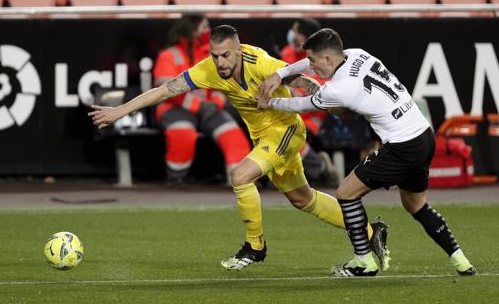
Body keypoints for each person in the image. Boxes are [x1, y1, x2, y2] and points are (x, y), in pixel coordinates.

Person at [88, 25, 389, 271]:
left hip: (285, 130)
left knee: (241, 176)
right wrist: (119, 111)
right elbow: (165, 90)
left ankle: (255, 246)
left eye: (226, 56)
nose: (220, 62)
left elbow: (303, 81)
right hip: (264, 138)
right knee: (302, 199)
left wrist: (331, 101)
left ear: (239, 50)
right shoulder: (209, 69)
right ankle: (371, 232)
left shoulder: (261, 64)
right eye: (215, 55)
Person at [258, 28, 476, 277]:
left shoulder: (339, 89)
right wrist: (281, 72)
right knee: (416, 205)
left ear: (328, 59)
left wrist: (270, 103)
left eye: (313, 61)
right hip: (423, 135)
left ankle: (364, 261)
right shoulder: (357, 54)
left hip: (402, 145)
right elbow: (311, 73)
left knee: (346, 193)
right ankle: (461, 260)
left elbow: (300, 105)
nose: (310, 66)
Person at [153, 16, 250, 184]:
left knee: (233, 136)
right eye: (204, 27)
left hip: (209, 109)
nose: (209, 31)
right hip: (174, 108)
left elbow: (225, 84)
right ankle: (175, 180)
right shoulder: (169, 55)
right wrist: (198, 106)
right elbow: (167, 90)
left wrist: (217, 103)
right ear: (192, 29)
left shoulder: (211, 54)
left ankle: (242, 182)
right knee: (183, 134)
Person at [281, 18, 336, 185]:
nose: (292, 35)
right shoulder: (287, 53)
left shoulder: (325, 58)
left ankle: (319, 167)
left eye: (295, 31)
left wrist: (297, 93)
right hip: (288, 112)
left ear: (304, 37)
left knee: (286, 135)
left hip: (313, 116)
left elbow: (326, 93)